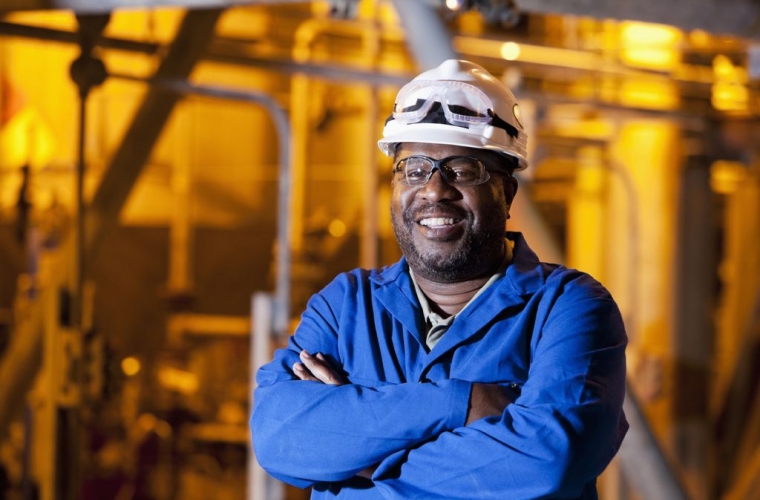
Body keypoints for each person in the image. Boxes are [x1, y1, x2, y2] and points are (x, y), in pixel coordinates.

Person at [251, 59, 628, 499]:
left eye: (463, 170)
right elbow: (280, 437)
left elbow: (548, 459)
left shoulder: (568, 307)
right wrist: (463, 404)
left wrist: (368, 461)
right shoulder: (345, 306)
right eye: (414, 169)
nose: (434, 190)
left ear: (506, 192)